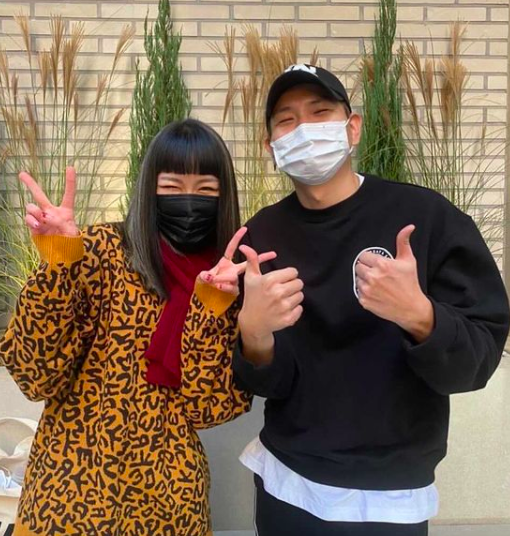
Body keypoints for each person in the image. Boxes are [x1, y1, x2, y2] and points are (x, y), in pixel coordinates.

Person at [205, 64, 510, 536]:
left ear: (353, 127)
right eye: (286, 120)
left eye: (319, 113)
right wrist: (254, 333)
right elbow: (270, 383)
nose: (304, 130)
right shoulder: (262, 234)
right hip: (288, 482)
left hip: (391, 496)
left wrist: (421, 316)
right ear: (271, 147)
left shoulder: (425, 218)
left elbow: (476, 364)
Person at [0, 118, 274, 536]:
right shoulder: (100, 252)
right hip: (70, 492)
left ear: (224, 198)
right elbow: (35, 374)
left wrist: (210, 308)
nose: (188, 201)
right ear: (149, 189)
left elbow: (210, 410)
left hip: (169, 500)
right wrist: (60, 262)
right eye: (172, 186)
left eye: (205, 190)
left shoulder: (226, 280)